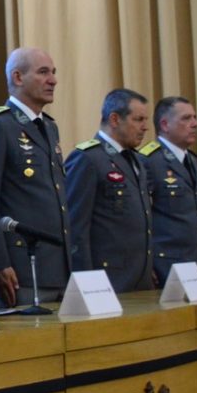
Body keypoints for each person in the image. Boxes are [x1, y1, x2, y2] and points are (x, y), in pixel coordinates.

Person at [0, 47, 72, 307]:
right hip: (22, 269)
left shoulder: (48, 126)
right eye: (43, 72)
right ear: (17, 77)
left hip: (60, 266)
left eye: (54, 72)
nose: (53, 80)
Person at [65, 89, 154, 292]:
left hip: (140, 279)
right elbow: (76, 227)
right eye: (138, 119)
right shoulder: (88, 158)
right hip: (108, 280)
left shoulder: (136, 161)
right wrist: (87, 283)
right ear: (115, 119)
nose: (145, 127)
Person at [139, 97, 197, 284]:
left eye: (194, 117)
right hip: (166, 267)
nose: (195, 124)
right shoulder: (149, 160)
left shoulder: (191, 160)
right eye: (186, 118)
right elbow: (139, 218)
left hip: (196, 263)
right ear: (165, 124)